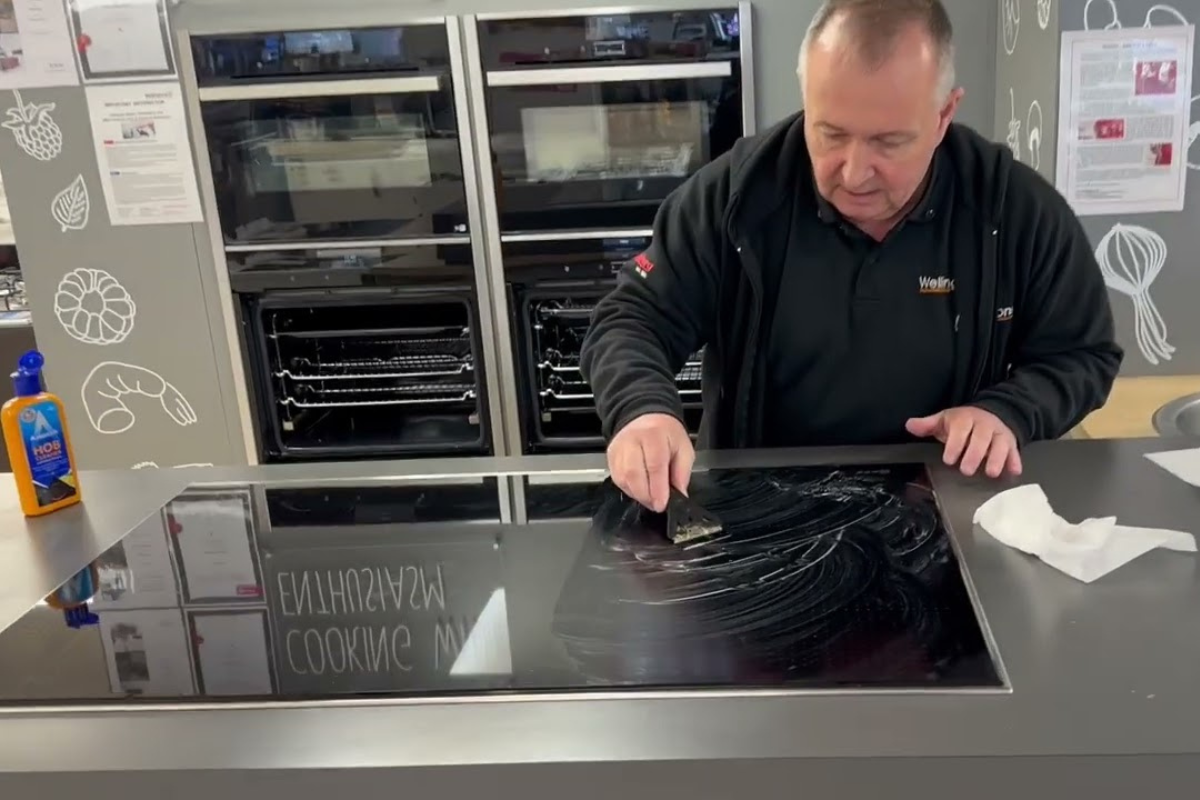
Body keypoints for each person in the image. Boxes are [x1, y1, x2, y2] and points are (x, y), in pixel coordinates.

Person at [580, 0, 1122, 512]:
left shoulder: (1013, 207)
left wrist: (1008, 411)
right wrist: (642, 410)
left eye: (888, 143)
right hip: (759, 518)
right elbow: (632, 318)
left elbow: (1081, 354)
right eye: (831, 134)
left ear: (943, 115)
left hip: (948, 515)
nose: (854, 172)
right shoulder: (735, 200)